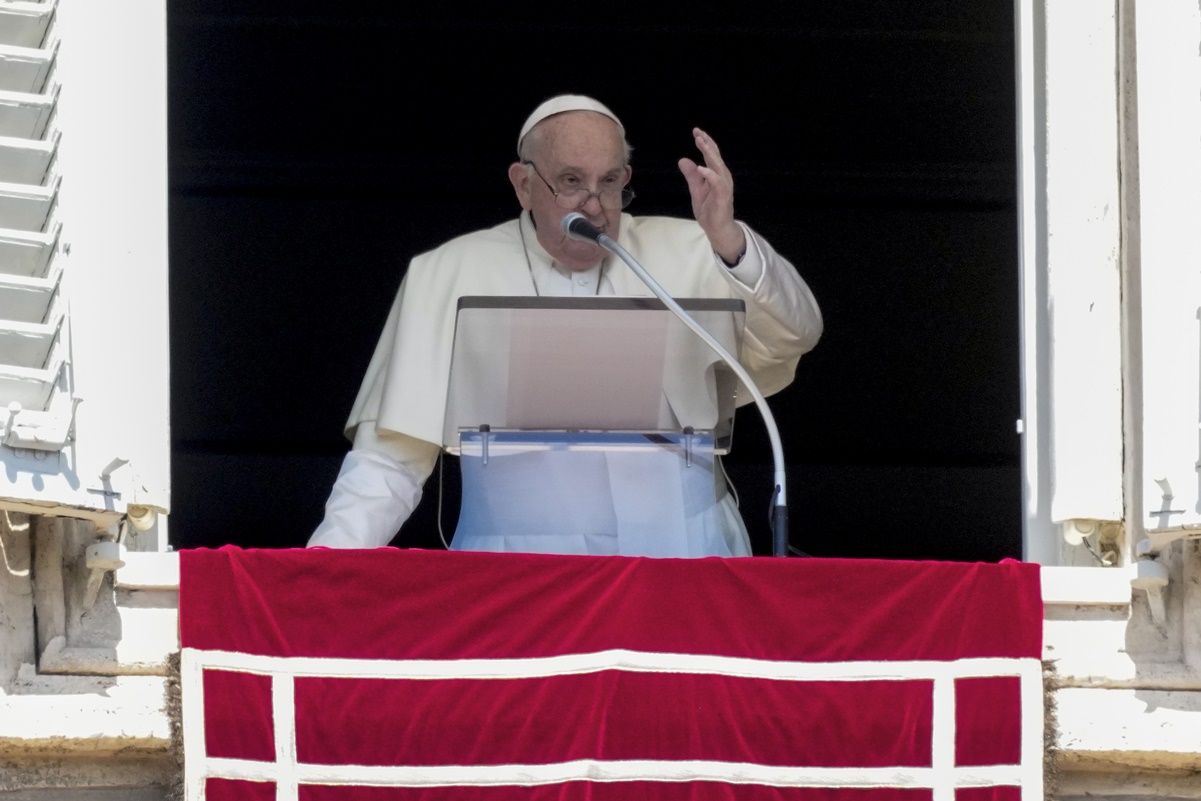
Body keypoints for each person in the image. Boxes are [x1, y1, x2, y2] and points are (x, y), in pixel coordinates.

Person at [307, 94, 822, 555]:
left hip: (684, 549)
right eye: (571, 182)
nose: (594, 206)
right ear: (524, 184)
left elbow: (798, 332)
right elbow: (389, 458)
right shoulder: (449, 271)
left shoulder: (695, 249)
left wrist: (731, 241)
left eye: (611, 182)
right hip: (514, 562)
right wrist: (320, 572)